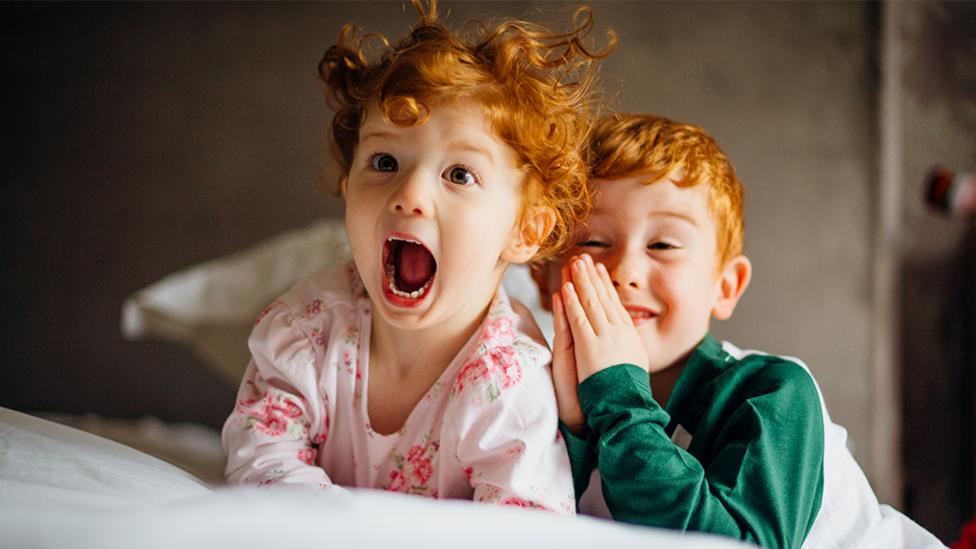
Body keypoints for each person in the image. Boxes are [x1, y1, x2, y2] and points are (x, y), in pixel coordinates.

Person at [221, 1, 613, 513]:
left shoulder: (506, 380)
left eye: (459, 174)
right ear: (346, 187)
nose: (409, 194)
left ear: (524, 230)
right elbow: (259, 458)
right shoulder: (309, 329)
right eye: (385, 162)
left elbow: (523, 524)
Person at [533, 113, 945, 545]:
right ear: (545, 278)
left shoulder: (773, 391)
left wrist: (619, 402)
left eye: (663, 245)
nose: (625, 272)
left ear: (725, 287)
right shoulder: (543, 395)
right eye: (593, 242)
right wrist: (577, 431)